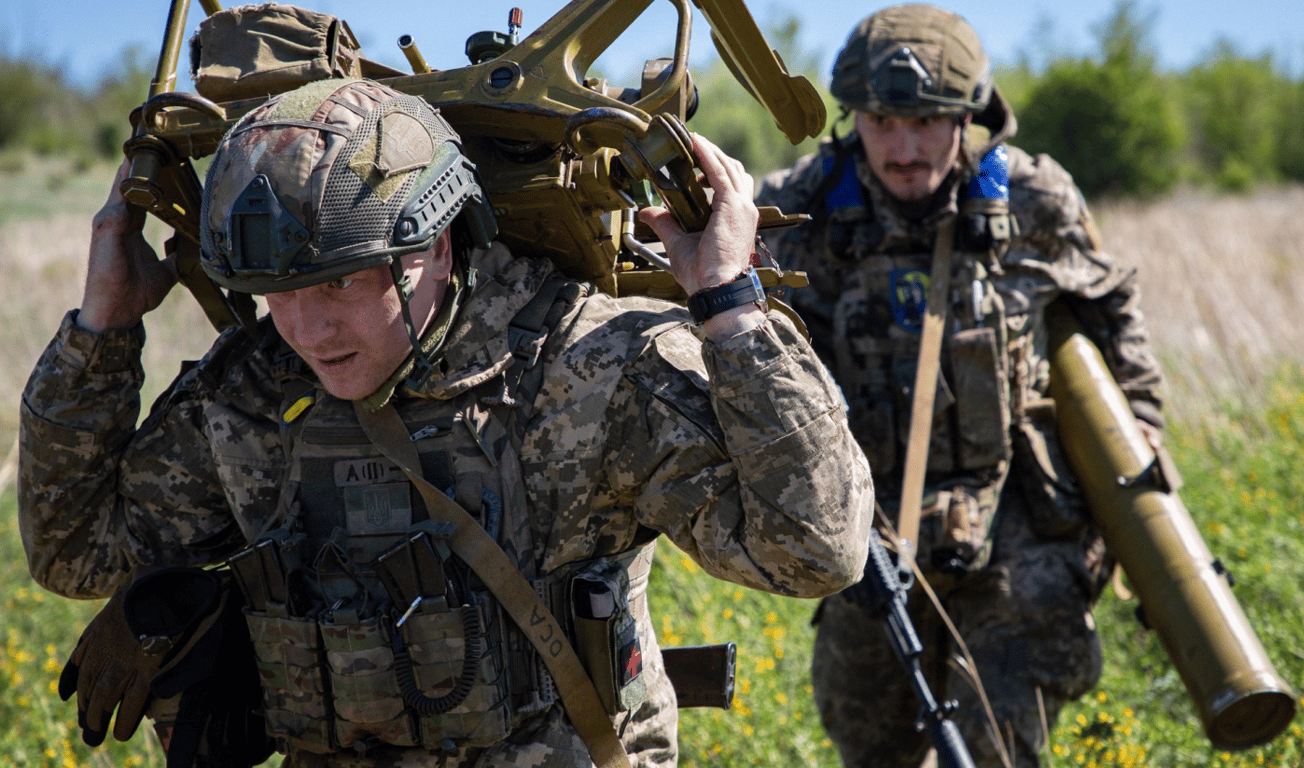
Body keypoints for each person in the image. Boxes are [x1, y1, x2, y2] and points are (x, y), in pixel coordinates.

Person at [19, 78, 875, 768]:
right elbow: (76, 552)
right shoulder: (249, 394)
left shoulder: (592, 367)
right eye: (274, 295)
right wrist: (103, 329)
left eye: (338, 284)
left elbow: (816, 549)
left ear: (432, 244)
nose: (307, 330)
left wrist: (728, 307)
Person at [754, 5, 1166, 768]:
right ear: (853, 118)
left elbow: (1110, 304)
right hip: (869, 527)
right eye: (881, 120)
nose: (905, 148)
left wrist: (1139, 416)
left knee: (999, 742)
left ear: (967, 117)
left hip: (1015, 518)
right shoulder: (795, 213)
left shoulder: (1035, 201)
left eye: (928, 121)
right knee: (868, 736)